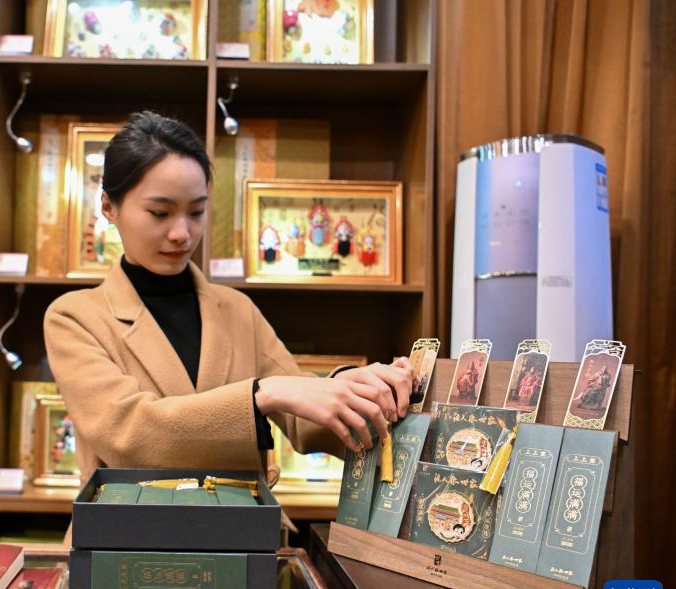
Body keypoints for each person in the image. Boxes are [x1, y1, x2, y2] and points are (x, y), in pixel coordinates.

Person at [44, 112, 413, 480]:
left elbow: (303, 420)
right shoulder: (75, 317)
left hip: (241, 517)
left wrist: (358, 388)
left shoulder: (237, 309)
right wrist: (260, 395)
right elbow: (130, 434)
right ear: (108, 207)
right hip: (129, 519)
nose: (182, 233)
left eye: (196, 212)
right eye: (160, 213)